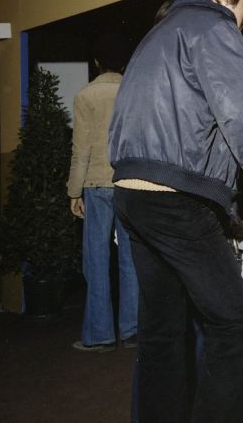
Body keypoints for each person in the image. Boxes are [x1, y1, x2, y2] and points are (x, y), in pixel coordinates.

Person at [109, 0, 243, 423]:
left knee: (162, 332)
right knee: (234, 320)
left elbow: (184, 127)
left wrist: (226, 205)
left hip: (132, 194)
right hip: (173, 200)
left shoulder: (159, 34)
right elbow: (241, 116)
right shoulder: (212, 27)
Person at [68, 37, 139, 352]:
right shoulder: (134, 89)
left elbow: (80, 149)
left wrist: (74, 191)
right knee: (130, 257)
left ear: (96, 62)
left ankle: (100, 334)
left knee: (96, 259)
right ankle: (133, 329)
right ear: (123, 63)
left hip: (96, 184)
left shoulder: (86, 96)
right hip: (129, 182)